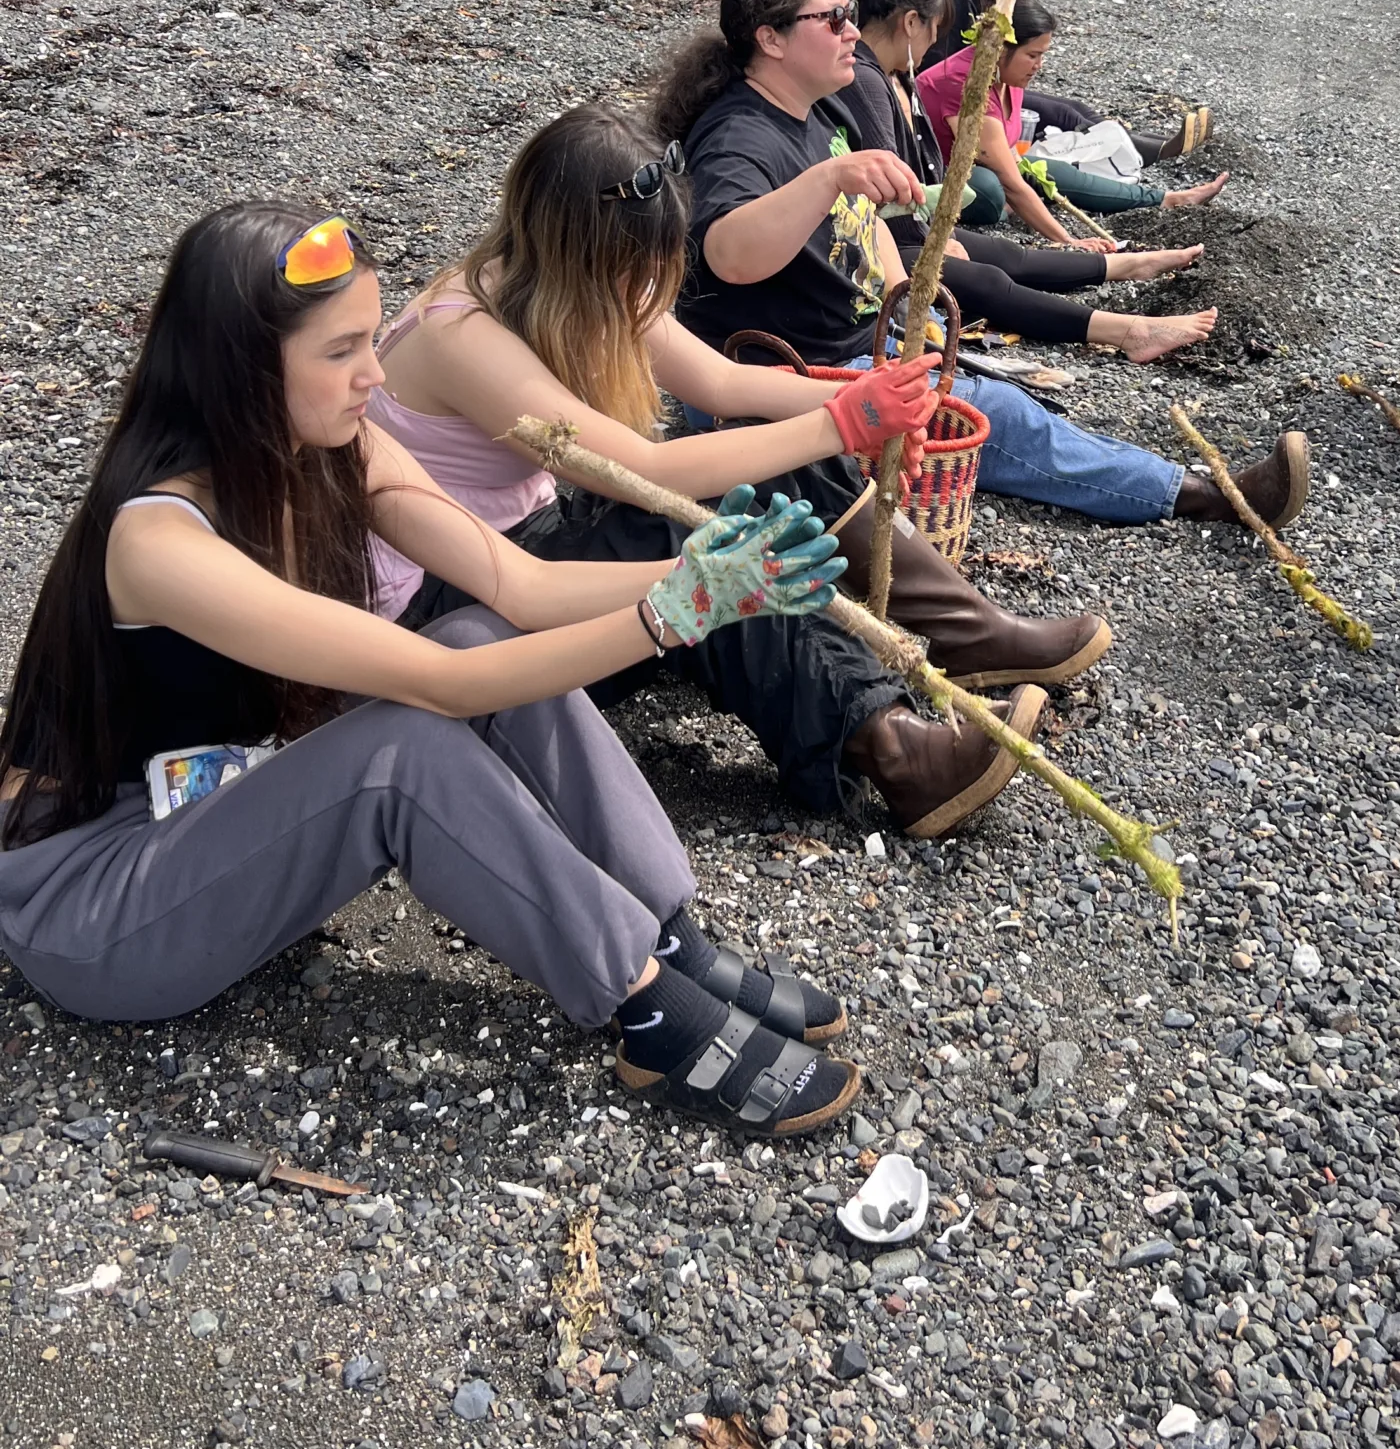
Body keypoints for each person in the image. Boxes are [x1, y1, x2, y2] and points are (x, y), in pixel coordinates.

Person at [0, 204, 867, 1139]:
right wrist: (673, 616)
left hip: (207, 806)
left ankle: (666, 931)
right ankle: (647, 1008)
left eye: (371, 340)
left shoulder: (330, 447)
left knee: (477, 635)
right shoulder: (159, 538)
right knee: (402, 750)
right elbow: (438, 697)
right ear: (242, 368)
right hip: (95, 899)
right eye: (341, 353)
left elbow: (521, 586)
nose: (375, 375)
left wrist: (715, 576)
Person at [369, 98, 1094, 828]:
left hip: (523, 545)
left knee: (770, 460)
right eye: (636, 268)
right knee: (701, 543)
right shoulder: (462, 334)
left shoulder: (560, 279)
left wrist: (856, 405)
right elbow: (637, 470)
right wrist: (837, 425)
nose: (646, 289)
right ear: (581, 251)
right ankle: (897, 752)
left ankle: (968, 635)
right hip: (449, 603)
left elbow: (720, 383)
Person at [651, 0, 1312, 533]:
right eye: (832, 19)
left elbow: (873, 227)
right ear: (769, 39)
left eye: (848, 13)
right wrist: (829, 179)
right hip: (769, 380)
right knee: (998, 413)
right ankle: (1206, 498)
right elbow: (727, 256)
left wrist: (907, 295)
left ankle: (1163, 458)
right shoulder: (738, 138)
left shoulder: (814, 107)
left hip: (847, 340)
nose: (851, 30)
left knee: (996, 379)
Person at [841, 0, 1219, 361]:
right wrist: (937, 238)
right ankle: (1130, 331)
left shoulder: (894, 74)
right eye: (936, 28)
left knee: (1007, 254)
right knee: (987, 280)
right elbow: (890, 189)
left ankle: (1126, 266)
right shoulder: (867, 80)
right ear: (911, 22)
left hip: (911, 229)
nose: (936, 41)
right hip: (884, 242)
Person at [917, 0, 1229, 233]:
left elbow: (1013, 161)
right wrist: (1069, 241)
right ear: (1001, 50)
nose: (1040, 65)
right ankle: (1010, 210)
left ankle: (1166, 199)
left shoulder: (1005, 75)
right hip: (935, 176)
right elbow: (1010, 181)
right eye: (1033, 55)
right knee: (992, 189)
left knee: (1052, 171)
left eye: (1043, 55)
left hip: (984, 163)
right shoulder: (965, 85)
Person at [930, 0, 1212, 160]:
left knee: (1076, 108)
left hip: (997, 84)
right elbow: (947, 64)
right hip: (970, 95)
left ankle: (1148, 142)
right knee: (1065, 115)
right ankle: (1156, 151)